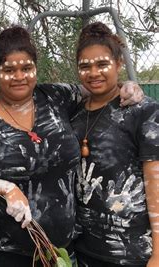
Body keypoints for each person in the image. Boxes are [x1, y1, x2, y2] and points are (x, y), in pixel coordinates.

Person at [0, 26, 144, 266]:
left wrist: (127, 86)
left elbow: (99, 87)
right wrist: (3, 187)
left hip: (62, 249)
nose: (19, 76)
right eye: (9, 70)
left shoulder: (55, 97)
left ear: (35, 68)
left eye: (26, 68)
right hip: (5, 251)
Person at [71, 22, 159, 267]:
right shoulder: (75, 113)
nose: (94, 73)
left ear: (119, 64)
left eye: (102, 64)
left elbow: (156, 183)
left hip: (133, 251)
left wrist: (158, 254)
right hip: (85, 248)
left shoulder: (142, 111)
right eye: (85, 66)